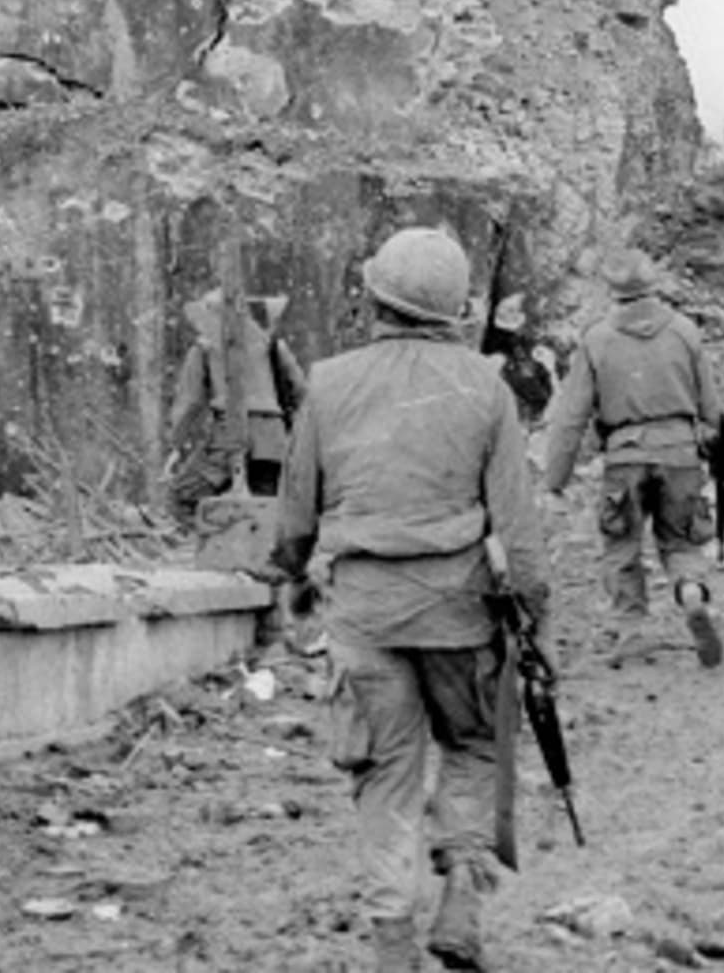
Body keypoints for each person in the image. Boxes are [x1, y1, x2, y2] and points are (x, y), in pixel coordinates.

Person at [269, 227, 547, 973]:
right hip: (460, 610)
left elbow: (295, 516)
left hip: (364, 613)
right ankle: (460, 884)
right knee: (475, 744)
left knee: (383, 773)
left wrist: (288, 571)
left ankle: (393, 938)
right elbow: (517, 526)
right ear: (457, 308)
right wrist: (533, 612)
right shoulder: (487, 387)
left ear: (375, 297)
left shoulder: (327, 382)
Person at [543, 247, 724, 669]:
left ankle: (631, 629)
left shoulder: (597, 339)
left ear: (611, 288)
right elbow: (711, 410)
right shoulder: (685, 331)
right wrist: (701, 449)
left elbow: (571, 417)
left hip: (624, 457)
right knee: (680, 540)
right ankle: (691, 590)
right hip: (680, 453)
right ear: (653, 283)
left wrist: (556, 478)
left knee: (621, 544)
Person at [167, 288, 305, 527]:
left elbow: (190, 402)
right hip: (273, 439)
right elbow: (302, 391)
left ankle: (217, 543)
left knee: (182, 496)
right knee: (266, 509)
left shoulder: (204, 348)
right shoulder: (270, 345)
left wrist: (176, 443)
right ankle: (258, 556)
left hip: (228, 433)